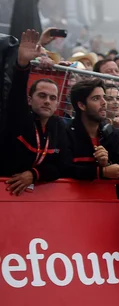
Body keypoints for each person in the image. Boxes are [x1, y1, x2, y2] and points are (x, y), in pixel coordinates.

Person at [2, 30, 69, 195]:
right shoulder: (20, 118)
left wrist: (34, 174)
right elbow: (17, 94)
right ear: (30, 100)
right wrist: (23, 64)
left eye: (52, 98)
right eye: (42, 95)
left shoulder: (59, 126)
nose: (47, 101)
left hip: (39, 198)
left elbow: (63, 165)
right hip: (6, 189)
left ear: (57, 104)